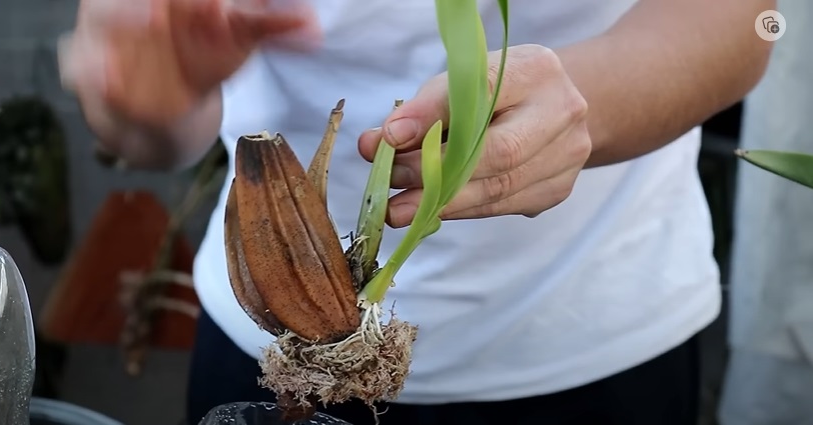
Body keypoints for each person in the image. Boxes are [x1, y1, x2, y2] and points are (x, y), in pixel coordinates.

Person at [60, 0, 774, 424]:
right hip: (272, 356)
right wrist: (142, 95)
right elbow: (142, 108)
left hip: (590, 339)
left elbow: (753, 21)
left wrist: (588, 109)